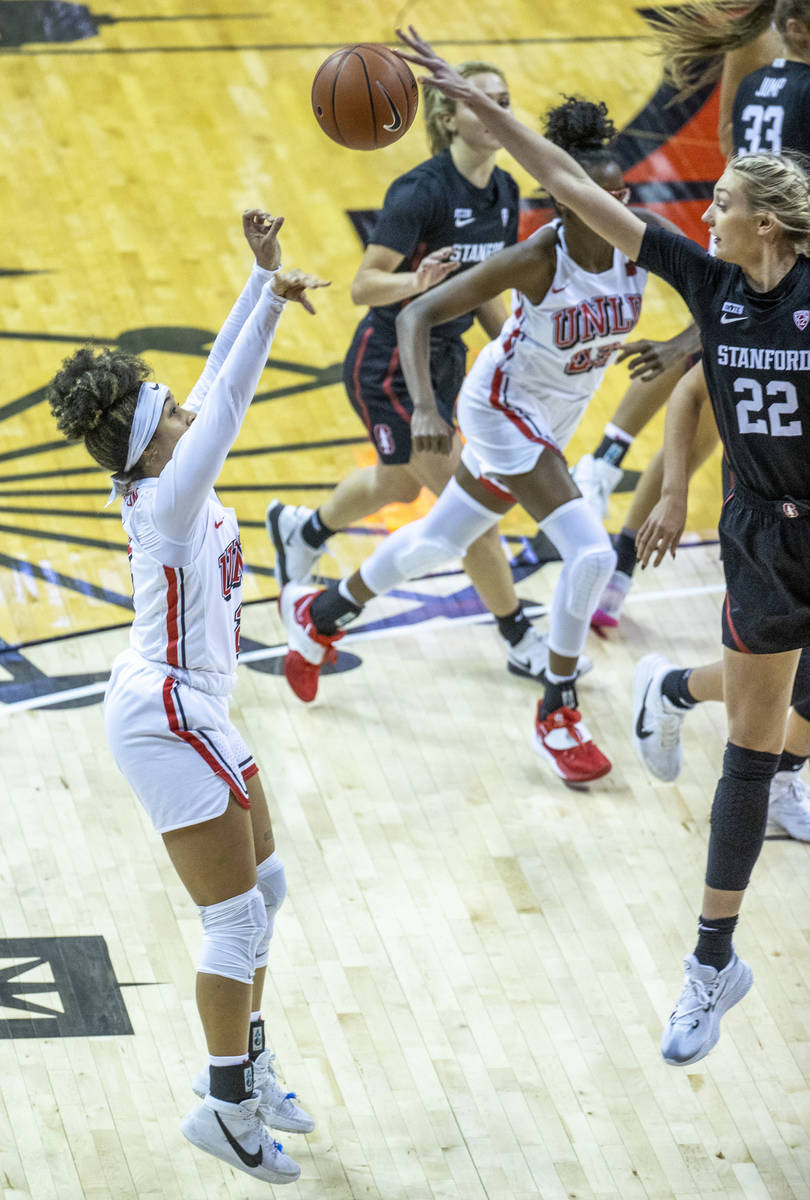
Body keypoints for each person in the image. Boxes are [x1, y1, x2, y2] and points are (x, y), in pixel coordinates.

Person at [394, 23, 810, 1068]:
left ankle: (675, 696)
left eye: (718, 203)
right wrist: (476, 104)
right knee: (749, 764)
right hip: (761, 543)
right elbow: (568, 182)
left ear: (765, 221)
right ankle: (711, 963)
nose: (698, 209)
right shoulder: (710, 289)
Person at [276, 95, 692, 785]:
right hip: (503, 407)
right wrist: (426, 409)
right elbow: (419, 315)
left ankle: (320, 613)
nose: (619, 203)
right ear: (565, 202)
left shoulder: (640, 240)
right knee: (587, 550)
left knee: (443, 538)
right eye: (601, 194)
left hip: (553, 414)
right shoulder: (537, 257)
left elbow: (728, 297)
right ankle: (557, 712)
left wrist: (678, 344)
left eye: (624, 192)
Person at [46, 210, 328, 1185]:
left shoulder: (158, 467)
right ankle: (224, 1104)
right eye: (167, 412)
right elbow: (234, 399)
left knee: (268, 889)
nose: (185, 413)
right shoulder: (166, 495)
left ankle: (247, 1066)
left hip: (189, 706)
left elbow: (213, 388)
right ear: (150, 441)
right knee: (237, 921)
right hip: (165, 712)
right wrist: (274, 309)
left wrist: (264, 281)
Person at [266, 63, 556, 682]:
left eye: (505, 99)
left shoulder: (503, 192)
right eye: (482, 102)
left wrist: (515, 349)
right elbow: (365, 287)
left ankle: (301, 528)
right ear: (448, 119)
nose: (498, 110)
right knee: (469, 507)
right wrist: (417, 282)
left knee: (398, 487)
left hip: (445, 363)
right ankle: (516, 633)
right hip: (392, 367)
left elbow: (484, 287)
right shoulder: (420, 192)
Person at [584, 0, 810, 627]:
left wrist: (746, 194)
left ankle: (618, 535)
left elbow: (730, 140)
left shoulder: (756, 45)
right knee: (715, 386)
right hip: (780, 237)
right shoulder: (777, 47)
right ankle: (607, 477)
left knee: (718, 401)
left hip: (753, 216)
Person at [628, 361, 810, 840]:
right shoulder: (764, 307)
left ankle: (782, 778)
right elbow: (691, 389)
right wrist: (673, 493)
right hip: (772, 515)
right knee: (789, 669)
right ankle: (673, 689)